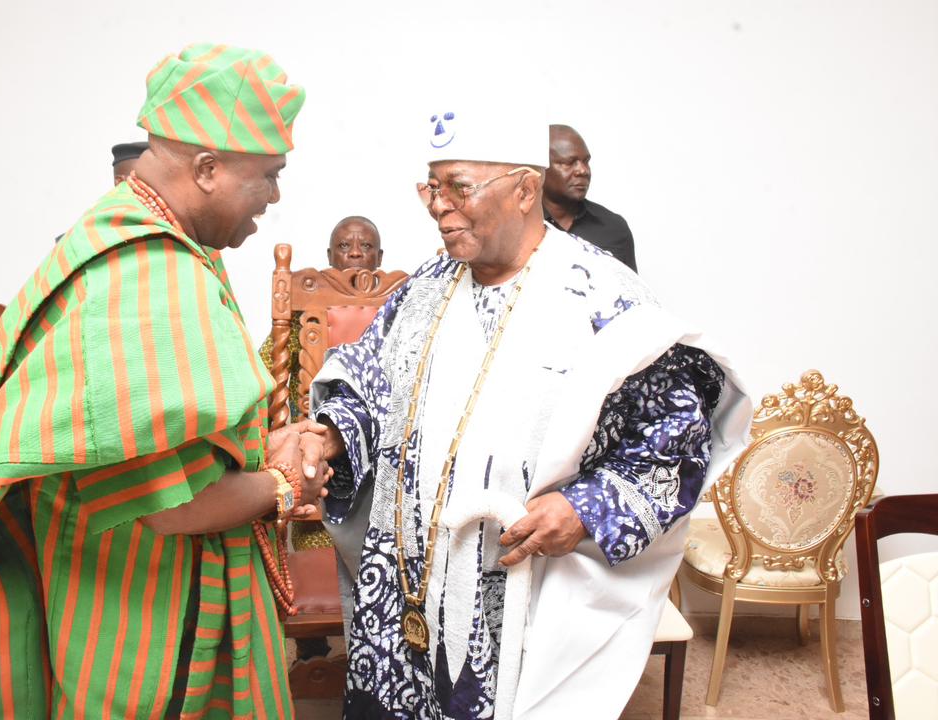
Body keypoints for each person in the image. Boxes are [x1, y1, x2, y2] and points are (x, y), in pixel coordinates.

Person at [0, 43, 327, 719]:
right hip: (151, 635)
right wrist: (286, 483)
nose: (275, 196)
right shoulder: (151, 273)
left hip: (113, 595)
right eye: (269, 176)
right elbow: (178, 506)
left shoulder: (126, 232)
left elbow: (175, 434)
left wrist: (263, 446)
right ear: (206, 168)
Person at [309, 99, 751, 719]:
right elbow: (371, 379)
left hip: (521, 589)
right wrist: (328, 433)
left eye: (458, 187)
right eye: (430, 188)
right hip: (402, 585)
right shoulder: (428, 284)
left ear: (524, 190)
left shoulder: (603, 297)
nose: (439, 205)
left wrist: (584, 507)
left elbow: (673, 441)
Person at [259, 214, 385, 424]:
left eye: (366, 246)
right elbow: (264, 371)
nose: (354, 253)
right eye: (344, 246)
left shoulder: (397, 310)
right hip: (309, 429)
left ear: (379, 257)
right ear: (330, 255)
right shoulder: (305, 309)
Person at [543, 124, 638, 272]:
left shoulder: (614, 229)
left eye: (586, 161)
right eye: (569, 163)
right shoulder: (517, 227)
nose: (583, 170)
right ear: (541, 168)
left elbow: (631, 293)